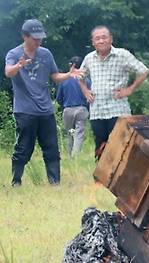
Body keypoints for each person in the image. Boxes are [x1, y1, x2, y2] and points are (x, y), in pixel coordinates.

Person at [4, 19, 82, 187]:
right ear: (25, 36)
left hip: (46, 110)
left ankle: (55, 183)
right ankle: (16, 181)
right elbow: (8, 72)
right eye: (35, 38)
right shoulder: (14, 53)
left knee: (51, 148)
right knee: (24, 147)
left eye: (41, 38)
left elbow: (55, 76)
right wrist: (19, 65)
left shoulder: (46, 54)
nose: (39, 41)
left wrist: (69, 74)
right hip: (24, 110)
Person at [79, 25, 149, 159]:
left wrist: (130, 89)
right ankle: (101, 179)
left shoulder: (122, 54)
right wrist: (85, 91)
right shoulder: (89, 58)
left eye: (104, 37)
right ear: (93, 42)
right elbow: (80, 77)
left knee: (121, 148)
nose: (101, 41)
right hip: (97, 111)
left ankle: (122, 178)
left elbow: (143, 71)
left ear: (111, 39)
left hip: (117, 110)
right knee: (100, 149)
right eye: (97, 39)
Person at [56, 56, 91, 158]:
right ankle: (75, 157)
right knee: (79, 134)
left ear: (71, 65)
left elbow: (59, 98)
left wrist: (64, 106)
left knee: (70, 134)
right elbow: (91, 96)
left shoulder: (64, 80)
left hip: (67, 109)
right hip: (81, 109)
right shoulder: (87, 81)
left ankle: (69, 156)